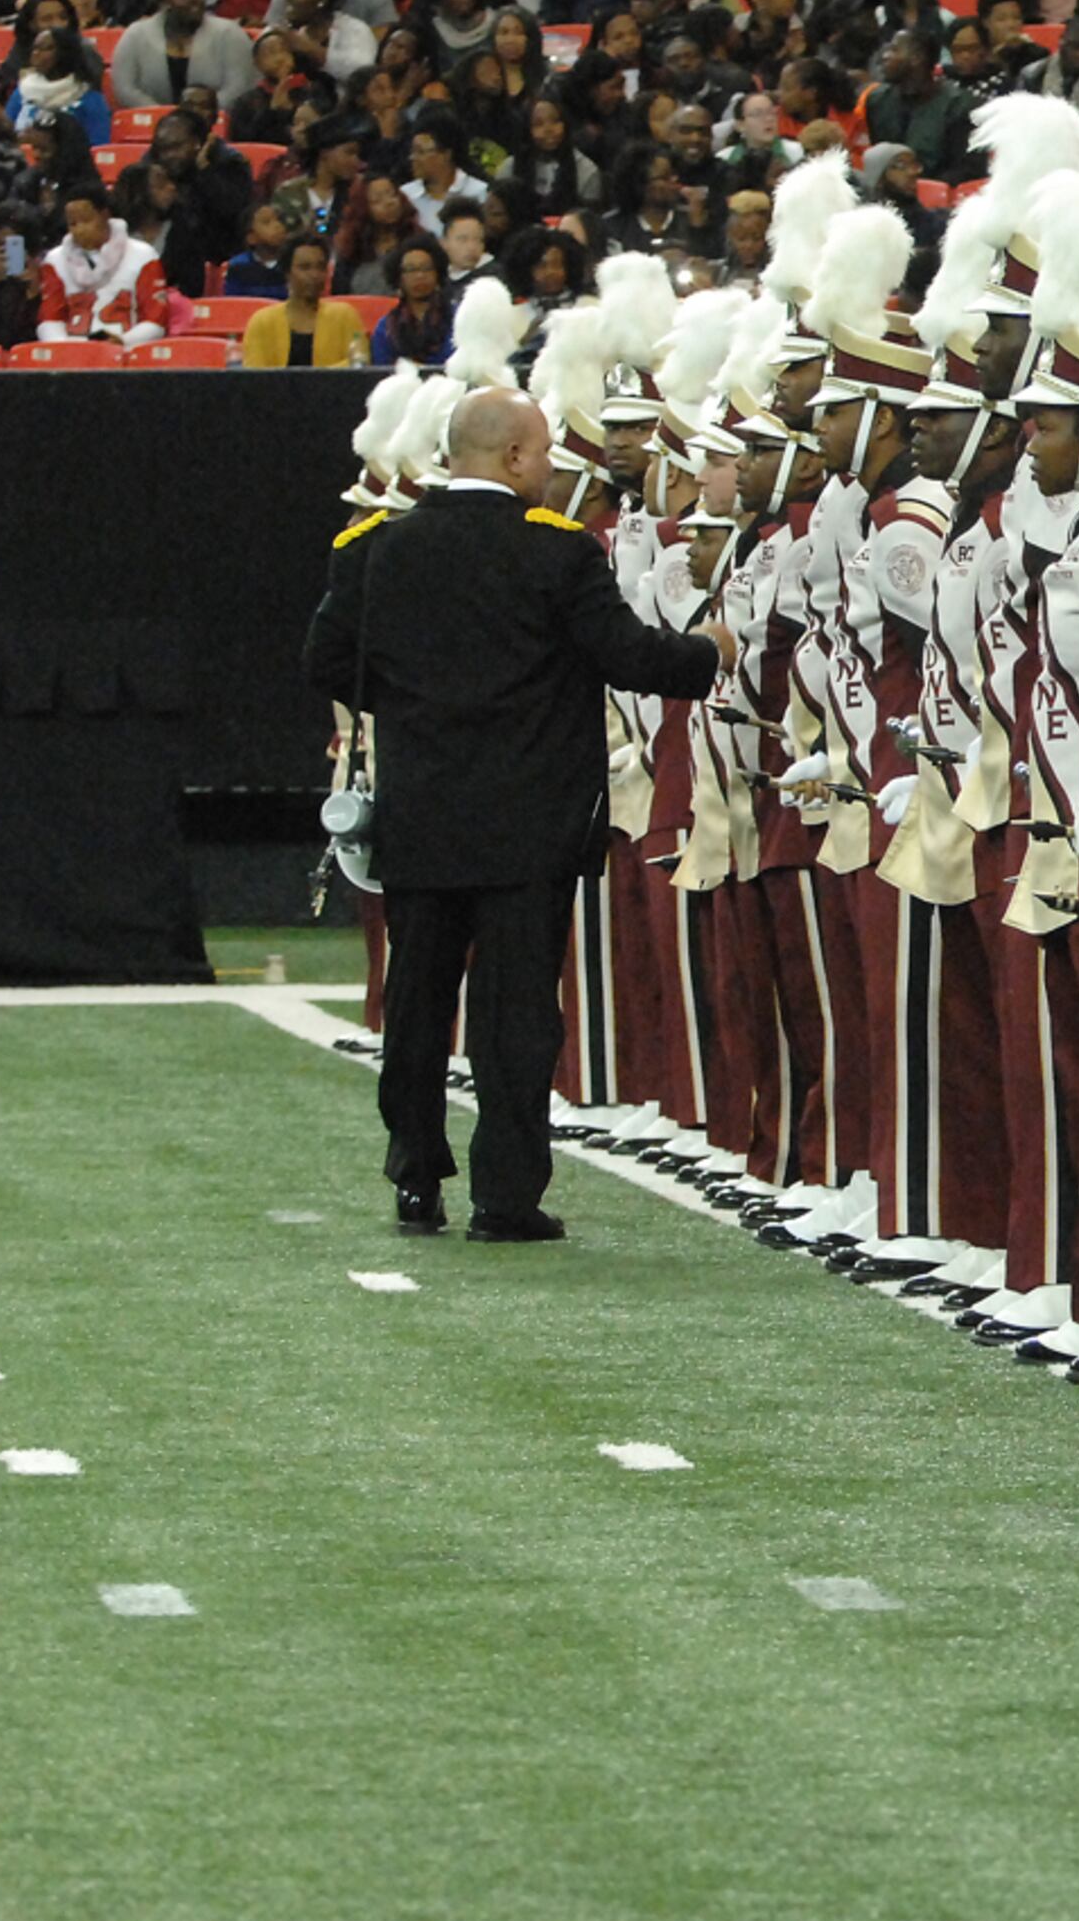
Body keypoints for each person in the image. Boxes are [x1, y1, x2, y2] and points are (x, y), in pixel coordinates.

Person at [304, 385, 736, 1239]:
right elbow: (628, 656)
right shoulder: (557, 552)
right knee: (516, 1015)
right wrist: (708, 652)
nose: (549, 469)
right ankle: (506, 1196)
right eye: (542, 453)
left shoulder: (376, 549)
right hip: (527, 826)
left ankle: (415, 1177)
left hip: (420, 819)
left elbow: (326, 662)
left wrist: (422, 707)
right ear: (510, 457)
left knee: (418, 1003)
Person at [241, 239, 369, 367]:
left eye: (321, 267)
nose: (315, 275)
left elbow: (359, 361)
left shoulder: (345, 315)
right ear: (287, 273)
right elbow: (255, 374)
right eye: (305, 267)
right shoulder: (262, 322)